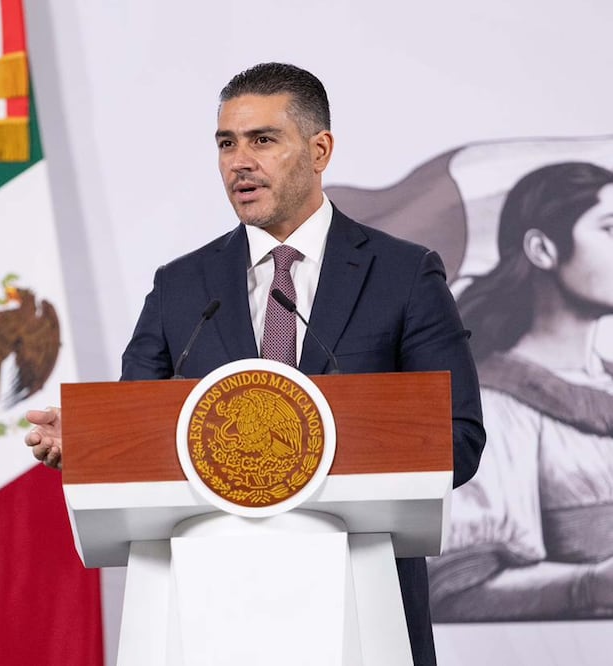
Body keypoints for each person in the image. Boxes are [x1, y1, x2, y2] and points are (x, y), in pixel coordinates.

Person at [26, 62, 485, 664]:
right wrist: (90, 444)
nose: (238, 162)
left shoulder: (403, 275)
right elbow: (135, 432)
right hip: (209, 610)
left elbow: (459, 437)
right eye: (226, 143)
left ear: (319, 150)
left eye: (262, 140)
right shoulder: (182, 287)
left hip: (360, 604)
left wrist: (310, 458)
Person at [429, 162, 613, 621]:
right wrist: (590, 584)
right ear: (542, 248)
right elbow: (458, 584)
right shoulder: (492, 402)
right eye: (610, 229)